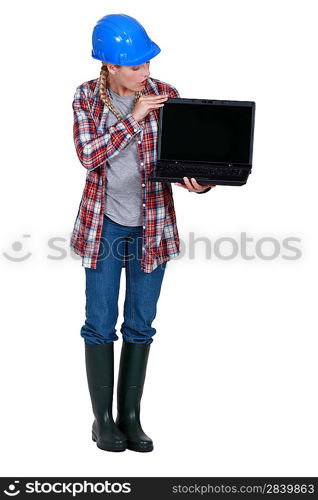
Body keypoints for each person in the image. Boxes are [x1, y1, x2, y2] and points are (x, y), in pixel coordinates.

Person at [70, 13, 216, 452]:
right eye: (135, 67)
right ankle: (103, 421)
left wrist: (199, 179)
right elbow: (89, 156)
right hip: (104, 226)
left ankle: (130, 418)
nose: (145, 74)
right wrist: (133, 118)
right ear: (110, 66)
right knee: (99, 324)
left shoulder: (165, 96)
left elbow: (182, 157)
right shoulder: (86, 100)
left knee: (141, 324)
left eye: (147, 64)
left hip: (153, 226)